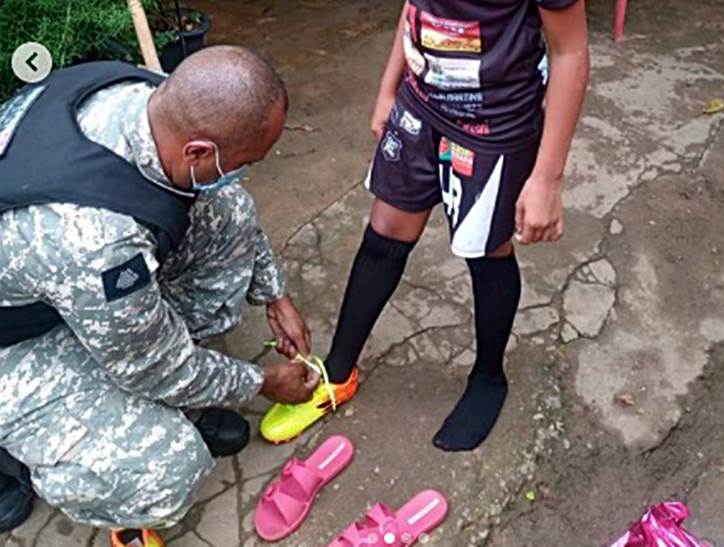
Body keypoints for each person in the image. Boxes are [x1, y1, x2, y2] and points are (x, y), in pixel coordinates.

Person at [0, 46, 318, 545]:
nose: (248, 170)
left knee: (224, 207)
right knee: (167, 470)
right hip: (13, 343)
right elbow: (153, 366)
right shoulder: (98, 242)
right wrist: (262, 382)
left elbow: (225, 198)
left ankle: (161, 401)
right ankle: (41, 459)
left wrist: (275, 294)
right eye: (244, 161)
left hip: (50, 284)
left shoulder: (146, 94)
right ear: (197, 151)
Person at [261, 0, 589, 451]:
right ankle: (337, 373)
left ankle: (489, 377)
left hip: (495, 127)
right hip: (420, 104)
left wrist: (547, 178)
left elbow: (569, 51)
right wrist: (387, 88)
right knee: (385, 232)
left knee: (485, 251)